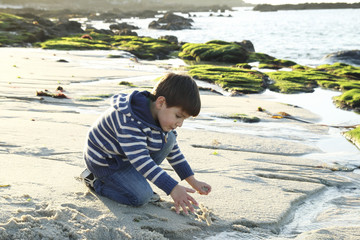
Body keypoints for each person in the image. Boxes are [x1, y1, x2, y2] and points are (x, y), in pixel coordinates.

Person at [80, 73, 211, 215]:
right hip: (107, 164)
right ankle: (94, 181)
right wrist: (172, 187)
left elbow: (173, 152)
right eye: (178, 116)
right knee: (140, 197)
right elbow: (142, 161)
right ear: (161, 102)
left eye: (184, 119)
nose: (180, 124)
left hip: (128, 156)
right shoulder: (129, 121)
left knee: (170, 140)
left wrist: (193, 181)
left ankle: (134, 180)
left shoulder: (158, 116)